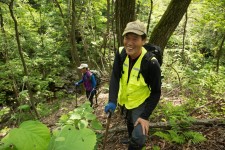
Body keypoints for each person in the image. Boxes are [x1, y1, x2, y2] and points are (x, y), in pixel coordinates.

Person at [104, 20, 161, 150]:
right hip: (126, 99)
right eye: (126, 38)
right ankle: (131, 138)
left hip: (142, 102)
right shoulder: (120, 53)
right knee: (130, 121)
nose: (129, 43)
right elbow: (115, 76)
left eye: (135, 39)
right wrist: (112, 100)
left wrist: (145, 116)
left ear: (144, 40)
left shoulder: (151, 63)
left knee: (139, 136)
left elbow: (156, 92)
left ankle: (134, 144)